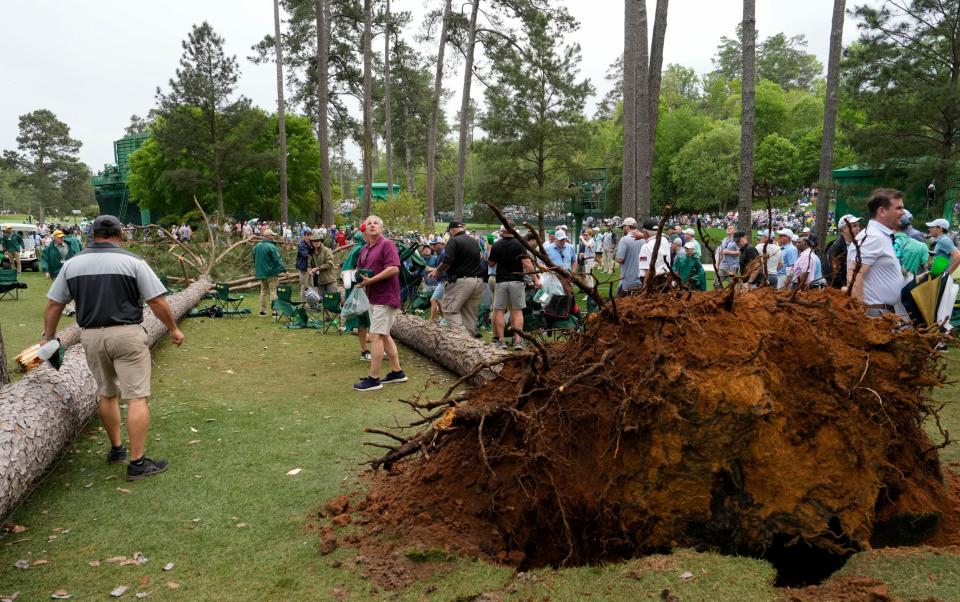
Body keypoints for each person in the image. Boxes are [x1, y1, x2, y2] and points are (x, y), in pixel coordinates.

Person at [41, 215, 183, 480]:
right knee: (136, 397)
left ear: (92, 234)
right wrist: (173, 328)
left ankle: (117, 449)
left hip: (91, 336)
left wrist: (49, 336)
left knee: (106, 394)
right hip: (127, 334)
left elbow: (54, 305)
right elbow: (157, 302)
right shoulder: (133, 262)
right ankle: (138, 464)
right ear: (120, 235)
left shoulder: (72, 265)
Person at [352, 215, 406, 392]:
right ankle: (397, 372)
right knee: (384, 335)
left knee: (375, 336)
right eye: (369, 223)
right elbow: (360, 271)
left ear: (381, 228)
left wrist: (370, 281)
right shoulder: (365, 249)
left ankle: (374, 379)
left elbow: (394, 268)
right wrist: (355, 278)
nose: (372, 225)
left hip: (386, 297)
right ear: (365, 229)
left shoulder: (387, 244)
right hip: (373, 297)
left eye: (376, 223)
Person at [851, 189, 905, 317]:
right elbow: (854, 276)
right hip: (874, 314)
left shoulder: (880, 236)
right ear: (882, 211)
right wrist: (860, 317)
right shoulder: (873, 237)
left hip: (883, 312)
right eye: (898, 208)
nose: (903, 212)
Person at [488, 223, 539, 350]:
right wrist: (536, 279)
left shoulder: (497, 244)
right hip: (517, 281)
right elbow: (527, 264)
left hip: (501, 281)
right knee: (517, 311)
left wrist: (490, 250)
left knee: (499, 310)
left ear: (502, 231)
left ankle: (500, 341)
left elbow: (491, 263)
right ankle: (518, 341)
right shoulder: (519, 244)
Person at [428, 222, 484, 336]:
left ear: (452, 230)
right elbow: (480, 257)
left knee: (450, 310)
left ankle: (464, 340)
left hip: (461, 281)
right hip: (477, 280)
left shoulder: (453, 241)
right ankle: (471, 345)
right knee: (469, 314)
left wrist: (437, 271)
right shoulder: (473, 241)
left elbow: (447, 261)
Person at [41, 230, 79, 315]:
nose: (62, 238)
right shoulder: (49, 248)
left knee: (69, 289)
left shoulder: (68, 246)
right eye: (59, 237)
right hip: (55, 272)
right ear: (54, 238)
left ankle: (70, 308)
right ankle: (64, 308)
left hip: (68, 271)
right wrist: (46, 271)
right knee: (59, 291)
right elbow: (44, 260)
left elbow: (73, 256)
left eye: (62, 236)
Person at [253, 228, 287, 317]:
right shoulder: (272, 247)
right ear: (268, 236)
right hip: (271, 273)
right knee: (273, 291)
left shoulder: (256, 247)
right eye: (272, 235)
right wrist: (284, 270)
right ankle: (275, 311)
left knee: (263, 291)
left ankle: (262, 311)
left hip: (261, 274)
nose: (273, 237)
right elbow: (278, 260)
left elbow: (254, 259)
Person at [825, 215, 861, 288]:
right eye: (854, 226)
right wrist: (844, 287)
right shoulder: (835, 249)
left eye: (858, 225)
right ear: (843, 230)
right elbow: (831, 274)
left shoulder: (860, 245)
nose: (859, 229)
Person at [615, 218, 644, 295]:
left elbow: (620, 259)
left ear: (627, 227)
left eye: (623, 227)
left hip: (627, 280)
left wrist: (614, 255)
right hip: (641, 279)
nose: (622, 229)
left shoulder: (624, 239)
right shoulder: (643, 239)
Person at [637, 219, 671, 283]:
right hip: (665, 278)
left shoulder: (645, 247)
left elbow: (647, 270)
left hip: (651, 281)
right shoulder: (665, 240)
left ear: (646, 232)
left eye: (643, 231)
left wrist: (645, 289)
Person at [295, 229, 314, 300]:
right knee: (304, 286)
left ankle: (312, 301)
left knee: (311, 285)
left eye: (310, 235)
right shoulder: (301, 245)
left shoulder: (311, 244)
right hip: (303, 268)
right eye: (307, 235)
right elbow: (306, 255)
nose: (309, 237)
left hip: (310, 268)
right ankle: (303, 302)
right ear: (304, 236)